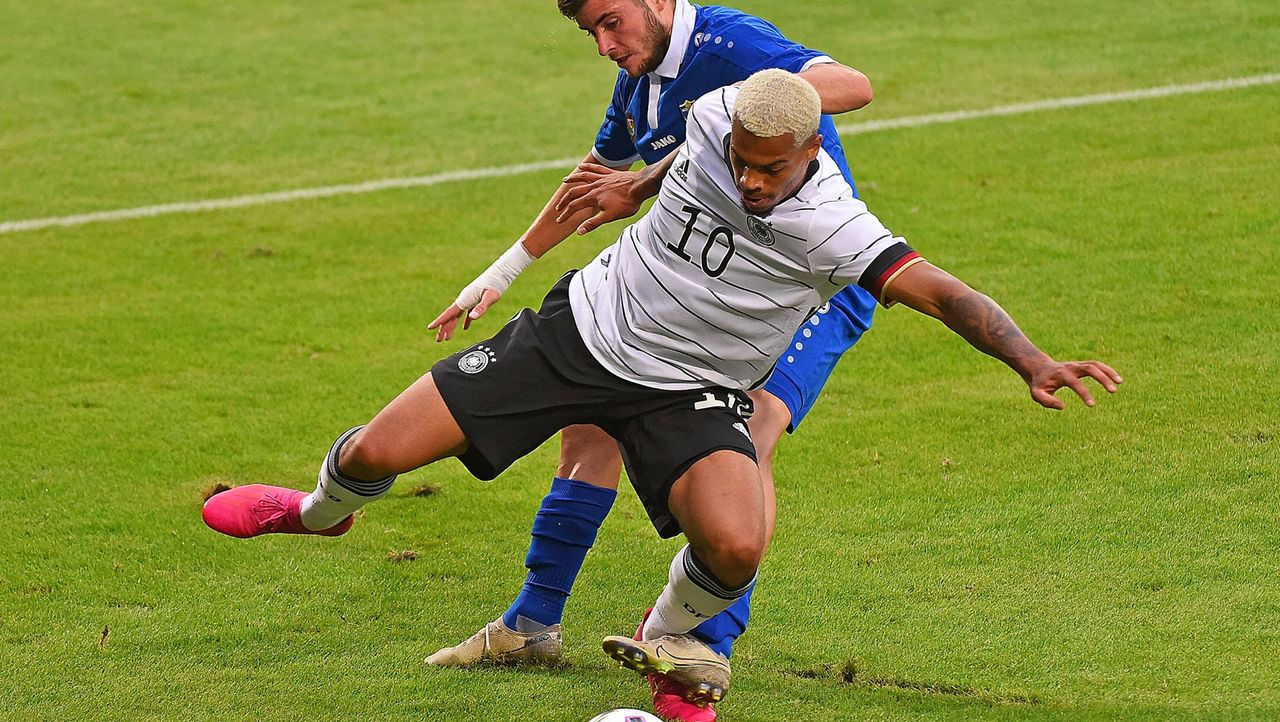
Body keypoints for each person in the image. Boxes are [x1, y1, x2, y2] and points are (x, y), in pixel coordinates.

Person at [204, 69, 1121, 722]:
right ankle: (319, 514)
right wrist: (635, 185)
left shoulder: (834, 223)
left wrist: (1032, 360)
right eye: (744, 163)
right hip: (581, 333)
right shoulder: (722, 113)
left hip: (695, 389)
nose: (753, 182)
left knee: (737, 539)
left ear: (810, 152)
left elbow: (945, 292)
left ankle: (672, 635)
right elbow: (686, 155)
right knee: (374, 455)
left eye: (771, 169)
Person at [424, 2, 876, 716]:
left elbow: (849, 84)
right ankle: (531, 626)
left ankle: (701, 655)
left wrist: (716, 128)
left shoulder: (730, 44)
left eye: (613, 22)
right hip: (707, 292)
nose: (605, 45)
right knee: (592, 422)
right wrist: (502, 272)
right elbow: (591, 178)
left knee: (746, 435)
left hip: (805, 287)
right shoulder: (642, 81)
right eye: (590, 32)